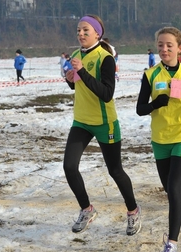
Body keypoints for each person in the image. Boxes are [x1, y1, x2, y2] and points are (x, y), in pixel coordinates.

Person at [63, 14, 141, 236]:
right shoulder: (77, 55)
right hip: (81, 121)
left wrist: (82, 72)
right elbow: (81, 86)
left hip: (104, 122)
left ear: (97, 33)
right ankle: (87, 209)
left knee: (115, 170)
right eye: (78, 30)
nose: (81, 34)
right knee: (69, 166)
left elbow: (106, 94)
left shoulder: (105, 58)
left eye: (86, 30)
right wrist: (71, 80)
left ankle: (133, 210)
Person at [136, 26, 181, 252]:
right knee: (170, 187)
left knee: (172, 189)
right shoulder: (150, 75)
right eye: (160, 45)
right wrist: (157, 103)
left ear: (179, 48)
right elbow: (139, 109)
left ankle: (171, 245)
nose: (164, 49)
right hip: (160, 139)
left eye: (168, 45)